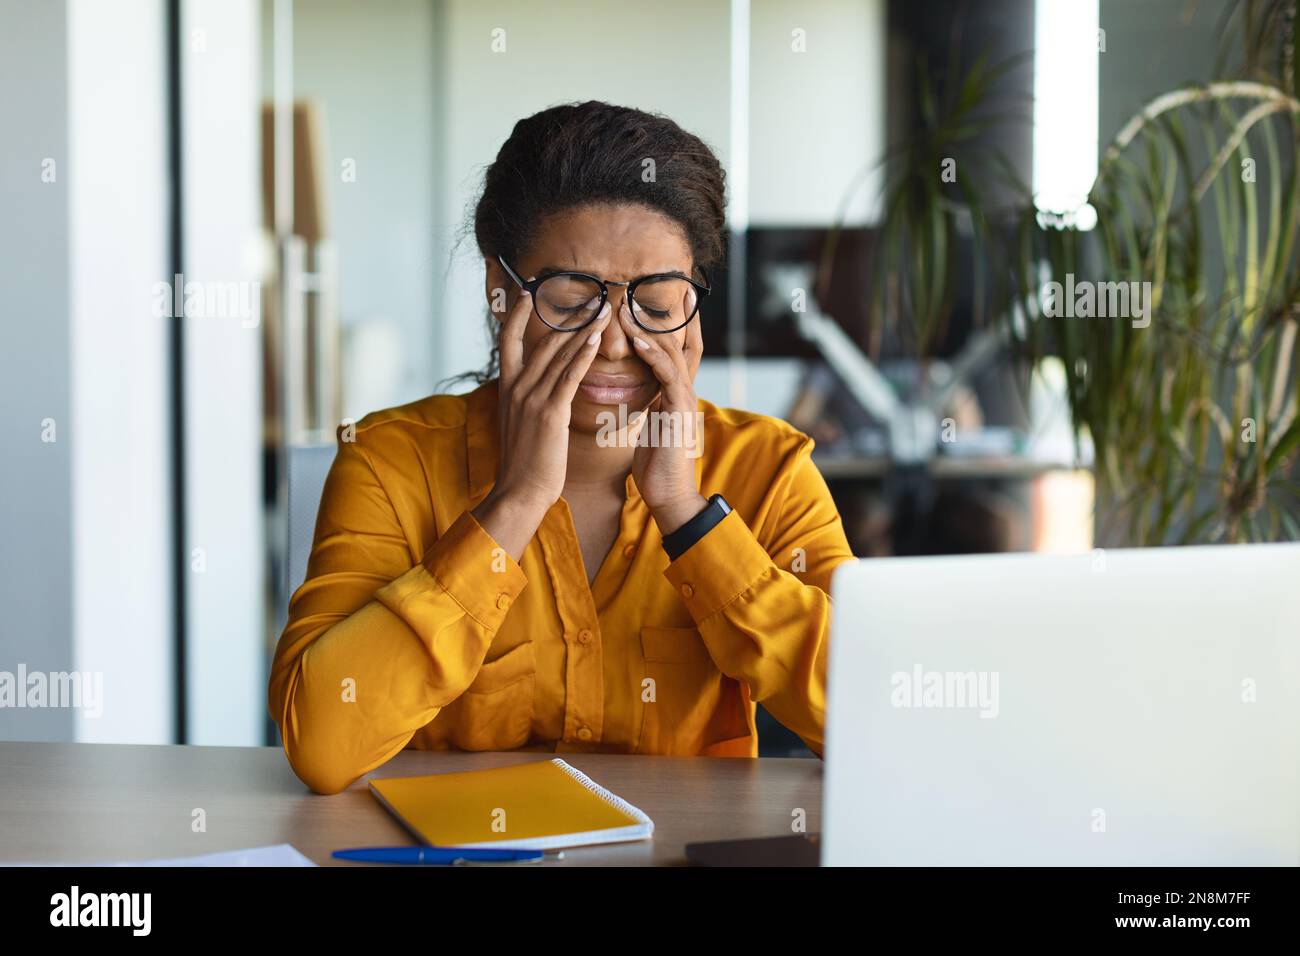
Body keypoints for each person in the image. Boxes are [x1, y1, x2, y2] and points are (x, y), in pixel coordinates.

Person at [268, 101, 854, 794]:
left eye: (657, 306)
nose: (611, 341)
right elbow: (324, 745)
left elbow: (867, 721)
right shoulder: (390, 462)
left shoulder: (767, 468)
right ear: (499, 293)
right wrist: (515, 504)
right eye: (572, 301)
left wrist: (687, 513)